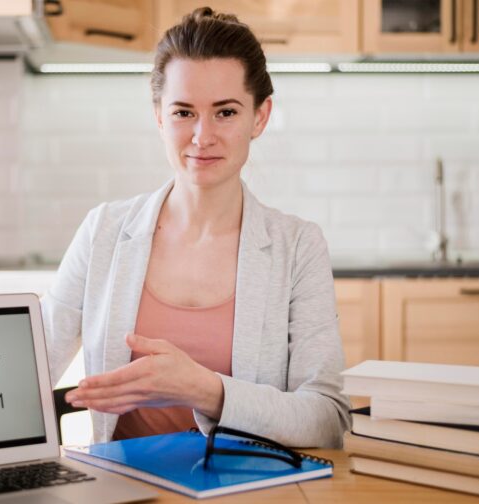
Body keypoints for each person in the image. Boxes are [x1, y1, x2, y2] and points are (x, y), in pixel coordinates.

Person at [41, 7, 351, 448]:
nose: (202, 136)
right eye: (184, 112)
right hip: (125, 488)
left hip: (248, 486)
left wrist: (202, 389)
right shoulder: (104, 232)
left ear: (259, 117)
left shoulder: (297, 246)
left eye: (225, 113)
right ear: (159, 115)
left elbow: (326, 418)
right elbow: (29, 372)